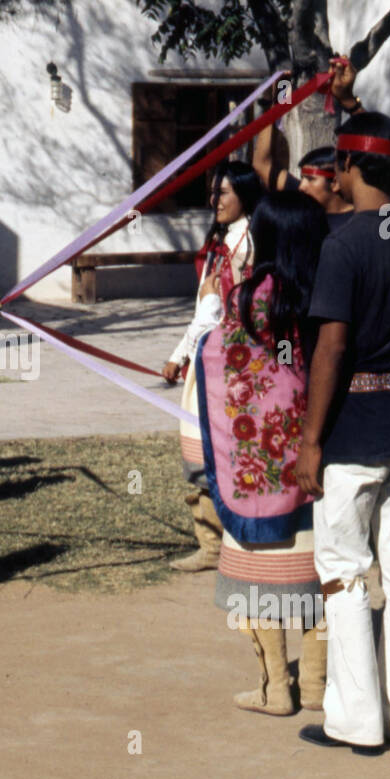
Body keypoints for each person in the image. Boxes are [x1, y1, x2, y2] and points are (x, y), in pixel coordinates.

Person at [293, 111, 390, 755]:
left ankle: (356, 721)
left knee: (345, 577)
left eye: (338, 163)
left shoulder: (343, 245)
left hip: (351, 429)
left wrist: (310, 439)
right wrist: (355, 107)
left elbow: (330, 350)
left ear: (350, 167)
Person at [199, 192, 328, 715]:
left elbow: (226, 356)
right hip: (317, 458)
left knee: (259, 579)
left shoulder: (250, 297)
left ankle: (277, 688)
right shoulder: (324, 292)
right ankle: (319, 685)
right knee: (324, 572)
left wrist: (210, 320)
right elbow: (294, 364)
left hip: (256, 465)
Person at [162, 160, 264, 572]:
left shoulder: (252, 243)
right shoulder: (220, 245)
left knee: (236, 452)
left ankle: (244, 538)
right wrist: (181, 355)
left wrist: (177, 354)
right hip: (207, 363)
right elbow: (204, 312)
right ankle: (209, 541)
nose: (214, 200)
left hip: (238, 368)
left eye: (223, 193)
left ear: (244, 195)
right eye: (212, 193)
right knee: (198, 452)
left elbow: (213, 310)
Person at [252, 56, 363, 232]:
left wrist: (348, 100)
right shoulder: (304, 200)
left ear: (335, 182)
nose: (302, 186)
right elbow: (262, 164)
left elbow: (377, 152)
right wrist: (278, 103)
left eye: (310, 179)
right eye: (302, 178)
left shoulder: (361, 216)